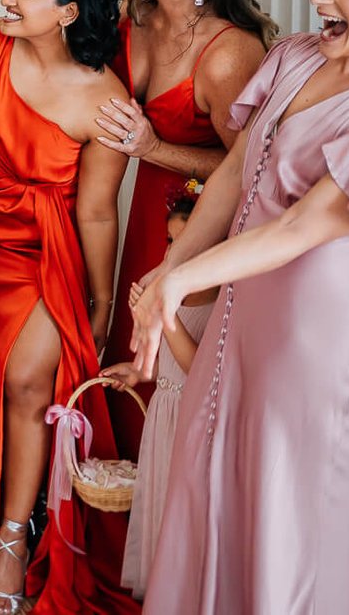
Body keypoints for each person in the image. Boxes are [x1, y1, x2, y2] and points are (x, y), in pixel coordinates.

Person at [131, 0, 349, 614]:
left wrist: (179, 281)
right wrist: (170, 267)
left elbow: (301, 225)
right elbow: (234, 174)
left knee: (299, 535)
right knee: (214, 500)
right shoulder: (297, 55)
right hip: (242, 322)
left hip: (323, 342)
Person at [0, 0, 136, 615]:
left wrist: (101, 299)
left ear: (69, 10)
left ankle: (13, 540)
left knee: (26, 381)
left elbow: (99, 212)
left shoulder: (104, 100)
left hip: (49, 251)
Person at [93, 0, 271, 455]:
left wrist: (153, 149)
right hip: (138, 211)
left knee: (164, 372)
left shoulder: (229, 53)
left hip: (194, 226)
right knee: (123, 356)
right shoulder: (136, 13)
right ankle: (115, 527)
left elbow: (253, 167)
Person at [99, 188, 215, 598]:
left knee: (186, 510)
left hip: (192, 421)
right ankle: (162, 592)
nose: (175, 253)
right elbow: (165, 361)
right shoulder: (170, 294)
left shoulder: (219, 301)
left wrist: (165, 315)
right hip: (163, 416)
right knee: (160, 506)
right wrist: (138, 372)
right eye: (170, 242)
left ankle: (185, 593)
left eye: (186, 242)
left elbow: (198, 367)